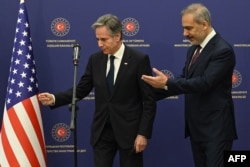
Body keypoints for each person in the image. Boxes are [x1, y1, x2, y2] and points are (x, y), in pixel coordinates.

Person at [38, 14, 156, 167]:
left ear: (118, 36)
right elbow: (82, 89)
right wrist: (55, 98)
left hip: (129, 133)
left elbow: (149, 100)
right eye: (97, 39)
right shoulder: (95, 60)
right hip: (102, 132)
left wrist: (143, 133)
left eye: (104, 39)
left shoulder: (139, 59)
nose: (100, 44)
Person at [141, 3, 237, 167]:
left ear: (204, 24)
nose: (184, 33)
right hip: (197, 129)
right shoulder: (193, 50)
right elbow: (185, 79)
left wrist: (168, 83)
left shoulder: (223, 50)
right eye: (184, 28)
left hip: (216, 130)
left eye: (189, 28)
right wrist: (148, 94)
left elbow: (205, 82)